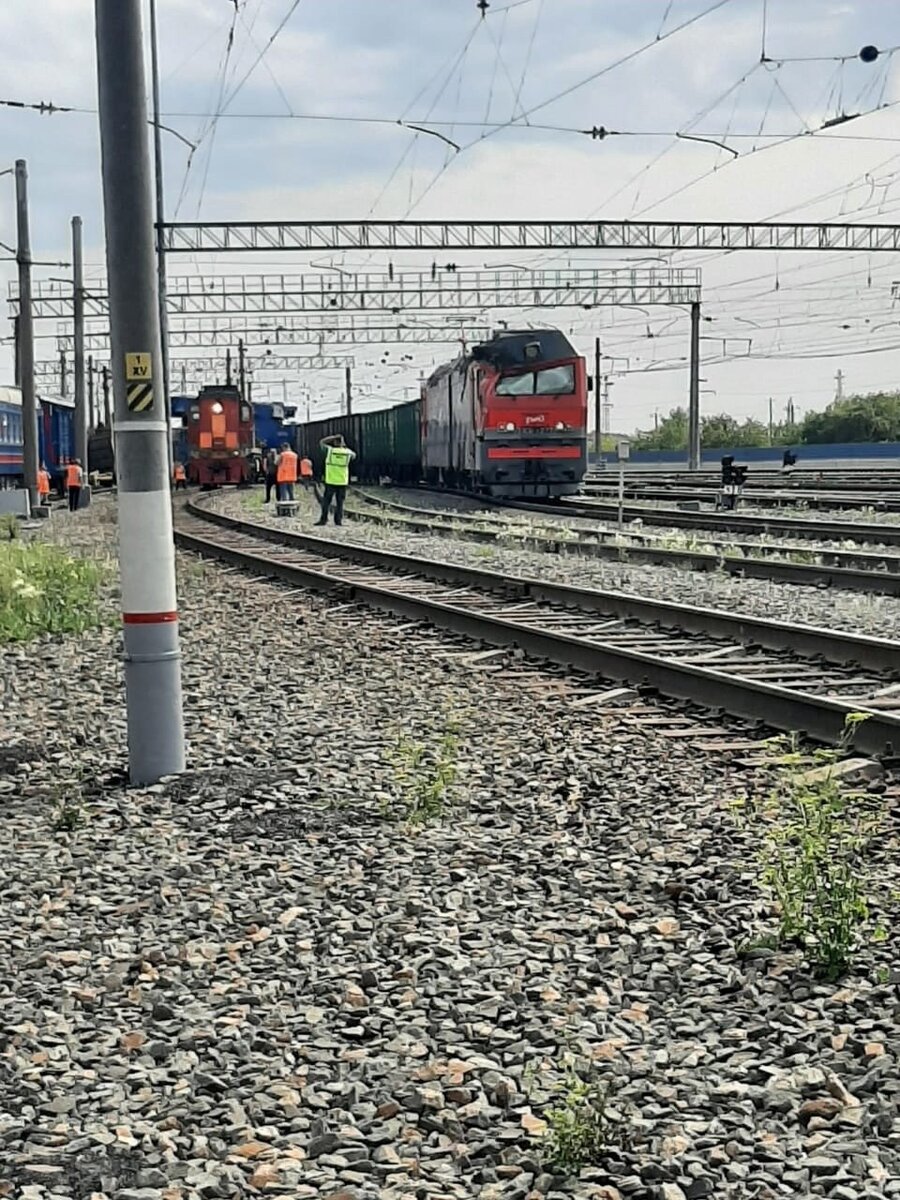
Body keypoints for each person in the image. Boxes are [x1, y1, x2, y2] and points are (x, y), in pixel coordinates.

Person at [315, 435, 356, 527]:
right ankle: (338, 521)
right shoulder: (348, 452)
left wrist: (332, 437)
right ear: (342, 443)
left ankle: (323, 520)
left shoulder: (330, 451)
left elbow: (321, 442)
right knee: (340, 503)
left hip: (330, 481)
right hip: (342, 481)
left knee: (326, 502)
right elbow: (354, 456)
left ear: (334, 442)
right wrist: (344, 446)